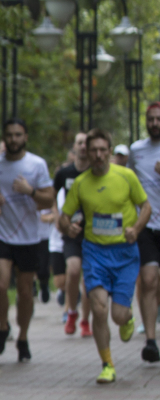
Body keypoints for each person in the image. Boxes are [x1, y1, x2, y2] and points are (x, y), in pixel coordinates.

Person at [61, 129, 151, 383]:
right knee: (99, 309)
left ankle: (128, 317)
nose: (99, 155)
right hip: (95, 253)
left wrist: (136, 228)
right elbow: (64, 217)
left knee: (117, 315)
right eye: (94, 150)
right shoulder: (80, 183)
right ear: (86, 153)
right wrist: (68, 227)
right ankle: (107, 364)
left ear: (109, 152)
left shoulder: (126, 176)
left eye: (103, 150)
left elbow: (146, 206)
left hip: (124, 253)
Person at [0, 119, 55, 362]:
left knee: (25, 292)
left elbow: (49, 201)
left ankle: (23, 337)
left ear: (25, 137)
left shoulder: (37, 164)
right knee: (2, 285)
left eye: (18, 135)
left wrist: (31, 191)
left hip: (28, 237)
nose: (13, 139)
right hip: (0, 234)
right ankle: (3, 326)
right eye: (9, 135)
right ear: (4, 138)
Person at [128, 103, 160, 362]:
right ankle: (150, 340)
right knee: (148, 280)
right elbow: (128, 184)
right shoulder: (136, 151)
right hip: (147, 225)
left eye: (159, 119)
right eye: (151, 119)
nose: (154, 123)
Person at [55, 132, 91, 337]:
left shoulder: (96, 172)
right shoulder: (64, 173)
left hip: (93, 233)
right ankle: (71, 312)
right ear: (74, 147)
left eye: (87, 143)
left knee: (89, 280)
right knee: (73, 269)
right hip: (71, 231)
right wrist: (60, 220)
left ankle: (85, 320)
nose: (83, 147)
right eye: (80, 143)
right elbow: (52, 196)